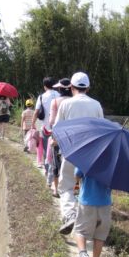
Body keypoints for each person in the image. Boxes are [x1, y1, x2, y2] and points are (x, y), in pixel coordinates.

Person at [55, 72, 104, 235]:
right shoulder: (96, 105)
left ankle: (69, 215)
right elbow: (102, 129)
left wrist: (56, 143)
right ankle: (89, 220)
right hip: (90, 153)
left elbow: (57, 129)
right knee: (86, 186)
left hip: (71, 150)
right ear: (88, 88)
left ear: (71, 87)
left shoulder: (66, 104)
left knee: (66, 186)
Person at [73, 166, 112, 257]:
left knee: (80, 231)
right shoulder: (114, 162)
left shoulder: (88, 157)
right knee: (99, 236)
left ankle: (83, 254)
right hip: (105, 204)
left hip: (87, 202)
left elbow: (77, 174)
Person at [46, 78, 73, 195]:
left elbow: (52, 121)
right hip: (72, 136)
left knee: (56, 162)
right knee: (70, 161)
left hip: (58, 135)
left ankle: (56, 189)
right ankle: (70, 188)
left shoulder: (55, 101)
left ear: (60, 89)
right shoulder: (74, 101)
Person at [31, 77, 59, 173]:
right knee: (56, 150)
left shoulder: (42, 97)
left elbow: (36, 111)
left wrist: (33, 123)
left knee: (46, 148)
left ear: (44, 86)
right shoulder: (59, 95)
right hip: (57, 127)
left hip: (45, 127)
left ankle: (48, 170)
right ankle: (55, 170)